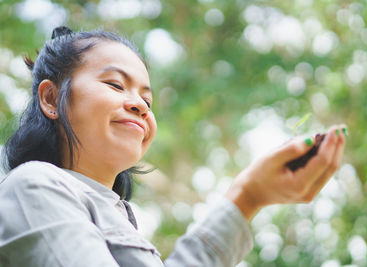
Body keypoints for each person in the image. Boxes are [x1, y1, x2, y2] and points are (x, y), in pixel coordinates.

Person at [0, 26, 346, 267]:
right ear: (50, 98)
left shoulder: (120, 219)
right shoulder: (33, 188)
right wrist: (244, 196)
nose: (139, 105)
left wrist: (252, 199)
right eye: (115, 84)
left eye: (147, 99)